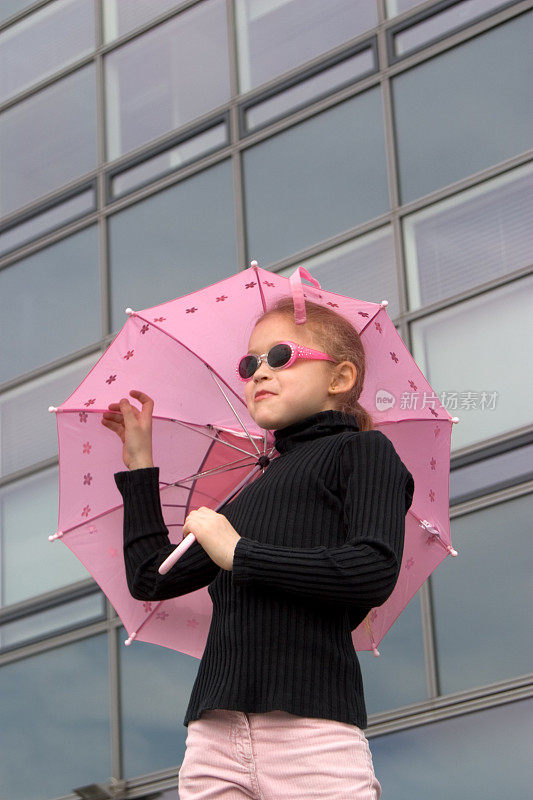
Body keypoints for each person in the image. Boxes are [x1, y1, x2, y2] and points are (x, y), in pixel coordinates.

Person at [102, 295, 415, 800]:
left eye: (280, 357)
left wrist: (240, 553)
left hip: (311, 732)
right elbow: (151, 578)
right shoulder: (243, 493)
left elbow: (373, 569)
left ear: (340, 379)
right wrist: (140, 466)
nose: (257, 373)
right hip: (213, 737)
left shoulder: (363, 452)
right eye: (249, 364)